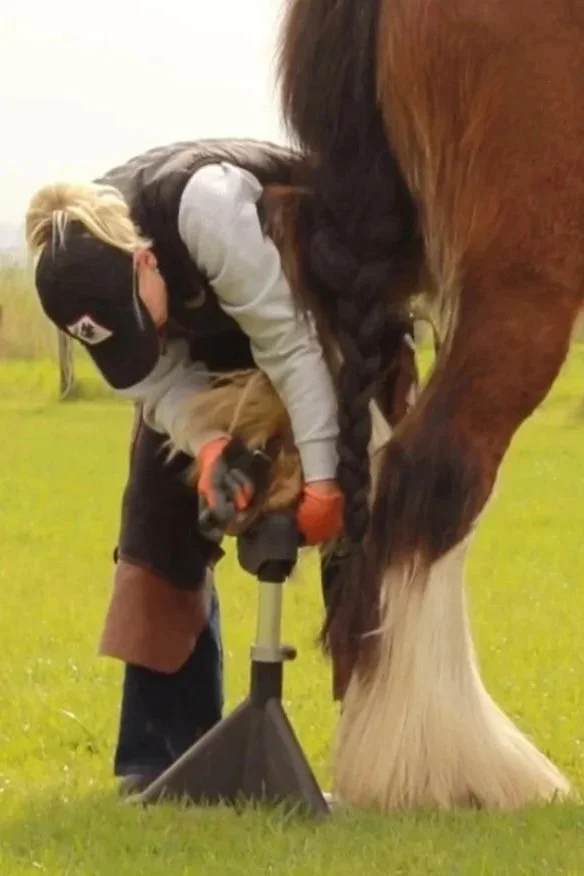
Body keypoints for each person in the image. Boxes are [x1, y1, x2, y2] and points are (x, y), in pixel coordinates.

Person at [24, 138, 345, 795]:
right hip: (217, 349)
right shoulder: (73, 275)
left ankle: (383, 748)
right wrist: (205, 449)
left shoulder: (208, 212)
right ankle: (165, 757)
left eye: (138, 319)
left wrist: (324, 482)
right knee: (154, 513)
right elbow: (154, 385)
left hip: (309, 312)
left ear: (144, 261)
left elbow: (289, 346)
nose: (142, 337)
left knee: (363, 507)